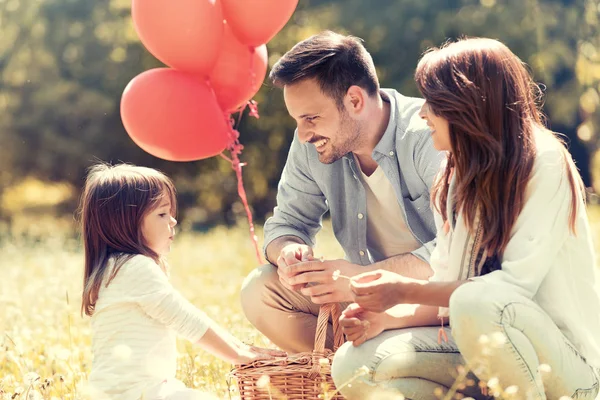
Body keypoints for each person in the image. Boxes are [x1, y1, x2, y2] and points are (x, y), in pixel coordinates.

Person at [331, 37, 600, 400]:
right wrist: (388, 316)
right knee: (352, 366)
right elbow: (448, 288)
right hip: (483, 355)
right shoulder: (458, 172)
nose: (423, 113)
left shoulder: (544, 161)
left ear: (470, 105)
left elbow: (504, 294)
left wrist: (402, 290)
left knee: (476, 302)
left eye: (434, 101)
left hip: (567, 370)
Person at [240, 31, 445, 354]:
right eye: (298, 120)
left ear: (354, 101)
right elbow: (286, 224)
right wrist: (290, 253)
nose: (304, 134)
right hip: (362, 299)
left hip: (434, 300)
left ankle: (375, 357)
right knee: (260, 290)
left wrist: (362, 277)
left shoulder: (430, 136)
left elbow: (459, 248)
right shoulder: (312, 142)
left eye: (311, 118)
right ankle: (356, 360)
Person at [79, 163, 285, 400]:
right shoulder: (135, 268)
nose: (173, 221)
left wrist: (243, 348)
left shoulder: (113, 270)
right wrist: (239, 355)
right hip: (137, 393)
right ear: (124, 222)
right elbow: (186, 320)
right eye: (162, 214)